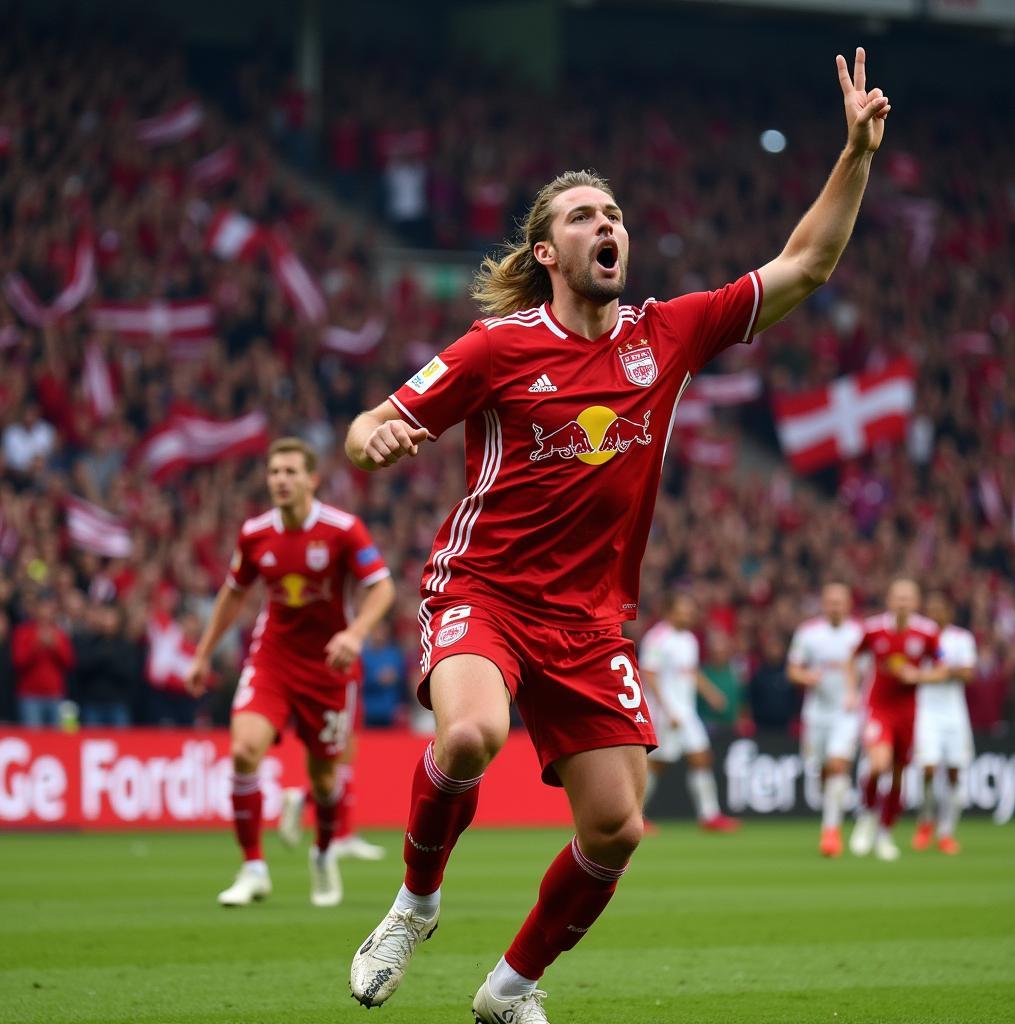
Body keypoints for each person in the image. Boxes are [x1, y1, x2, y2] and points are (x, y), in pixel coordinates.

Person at [344, 48, 890, 1023]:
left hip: (591, 625)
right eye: (584, 216)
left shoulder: (665, 334)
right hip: (486, 593)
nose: (609, 226)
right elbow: (365, 426)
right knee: (469, 732)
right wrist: (380, 437)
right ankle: (415, 905)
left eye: (615, 215)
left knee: (618, 826)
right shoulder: (497, 348)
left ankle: (509, 988)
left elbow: (804, 263)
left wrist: (853, 152)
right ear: (547, 253)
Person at [185, 437, 395, 907]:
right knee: (243, 751)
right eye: (274, 472)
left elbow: (382, 587)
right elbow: (233, 594)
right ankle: (253, 868)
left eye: (290, 472)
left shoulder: (343, 530)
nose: (280, 480)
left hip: (328, 666)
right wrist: (202, 653)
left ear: (311, 479)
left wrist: (355, 634)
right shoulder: (256, 533)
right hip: (273, 659)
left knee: (323, 781)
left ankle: (322, 854)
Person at [848, 579, 946, 862]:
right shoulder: (872, 629)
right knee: (878, 764)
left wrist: (919, 676)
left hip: (908, 712)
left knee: (899, 774)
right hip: (878, 708)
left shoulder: (927, 633)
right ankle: (867, 814)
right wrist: (851, 690)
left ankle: (885, 833)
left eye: (908, 598)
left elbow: (942, 668)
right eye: (898, 597)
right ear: (889, 600)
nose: (902, 602)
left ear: (916, 602)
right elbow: (851, 659)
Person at [639, 594, 739, 831]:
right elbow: (649, 674)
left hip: (687, 712)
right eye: (683, 610)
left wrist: (711, 693)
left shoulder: (689, 639)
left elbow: (691, 672)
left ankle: (710, 816)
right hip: (666, 713)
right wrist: (667, 709)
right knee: (657, 765)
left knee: (701, 757)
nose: (688, 614)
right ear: (669, 611)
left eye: (690, 610)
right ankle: (634, 816)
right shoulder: (657, 638)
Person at [787, 583, 863, 857]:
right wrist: (808, 677)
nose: (835, 606)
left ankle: (831, 832)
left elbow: (869, 670)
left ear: (849, 604)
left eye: (839, 602)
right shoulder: (809, 634)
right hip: (816, 713)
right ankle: (839, 804)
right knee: (821, 769)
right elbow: (793, 670)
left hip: (847, 712)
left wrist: (855, 691)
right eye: (830, 601)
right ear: (823, 604)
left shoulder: (859, 634)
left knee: (837, 763)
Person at [912, 591, 977, 855]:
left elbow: (968, 673)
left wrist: (940, 672)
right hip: (926, 712)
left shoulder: (961, 638)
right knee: (927, 769)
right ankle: (926, 819)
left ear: (949, 612)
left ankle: (946, 832)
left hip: (954, 714)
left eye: (941, 608)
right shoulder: (919, 638)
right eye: (932, 608)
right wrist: (942, 672)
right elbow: (908, 671)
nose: (936, 613)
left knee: (954, 772)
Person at [12, 592, 74, 727]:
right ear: (35, 609)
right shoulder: (23, 632)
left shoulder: (60, 633)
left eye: (49, 608)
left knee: (56, 740)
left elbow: (69, 662)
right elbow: (19, 661)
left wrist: (55, 646)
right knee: (34, 738)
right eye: (42, 607)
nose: (46, 612)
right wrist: (36, 645)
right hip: (30, 696)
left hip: (55, 695)